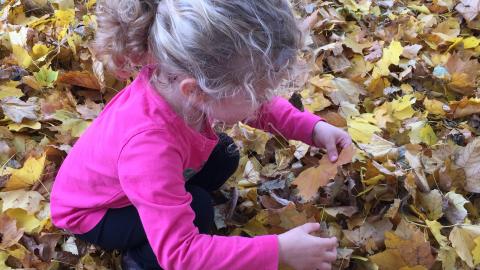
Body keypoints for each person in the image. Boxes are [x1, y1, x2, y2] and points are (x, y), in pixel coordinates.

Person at [49, 0, 352, 269]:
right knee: (198, 207)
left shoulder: (181, 75)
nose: (263, 100)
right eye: (257, 92)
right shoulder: (149, 146)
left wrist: (313, 128)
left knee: (225, 153)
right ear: (197, 92)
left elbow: (263, 109)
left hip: (142, 172)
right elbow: (181, 253)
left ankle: (167, 202)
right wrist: (277, 251)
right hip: (95, 214)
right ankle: (141, 260)